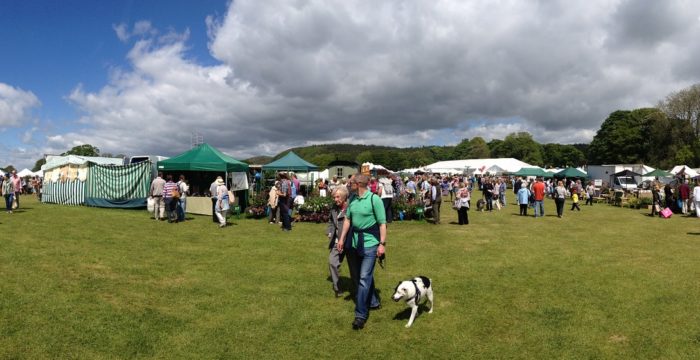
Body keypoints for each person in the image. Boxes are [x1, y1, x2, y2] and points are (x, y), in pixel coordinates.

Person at [337, 174, 386, 330]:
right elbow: (348, 220)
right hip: (353, 242)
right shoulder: (352, 200)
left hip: (371, 243)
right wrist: (342, 239)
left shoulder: (374, 200)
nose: (349, 185)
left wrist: (382, 244)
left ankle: (360, 315)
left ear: (358, 184)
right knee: (358, 277)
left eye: (351, 183)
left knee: (364, 277)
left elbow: (382, 223)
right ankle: (373, 302)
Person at [327, 186, 349, 297]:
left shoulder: (351, 208)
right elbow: (331, 220)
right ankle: (337, 287)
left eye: (337, 197)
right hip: (337, 242)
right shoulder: (334, 207)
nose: (335, 199)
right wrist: (330, 231)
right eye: (334, 197)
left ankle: (361, 291)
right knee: (332, 262)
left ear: (344, 197)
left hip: (350, 242)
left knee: (355, 269)